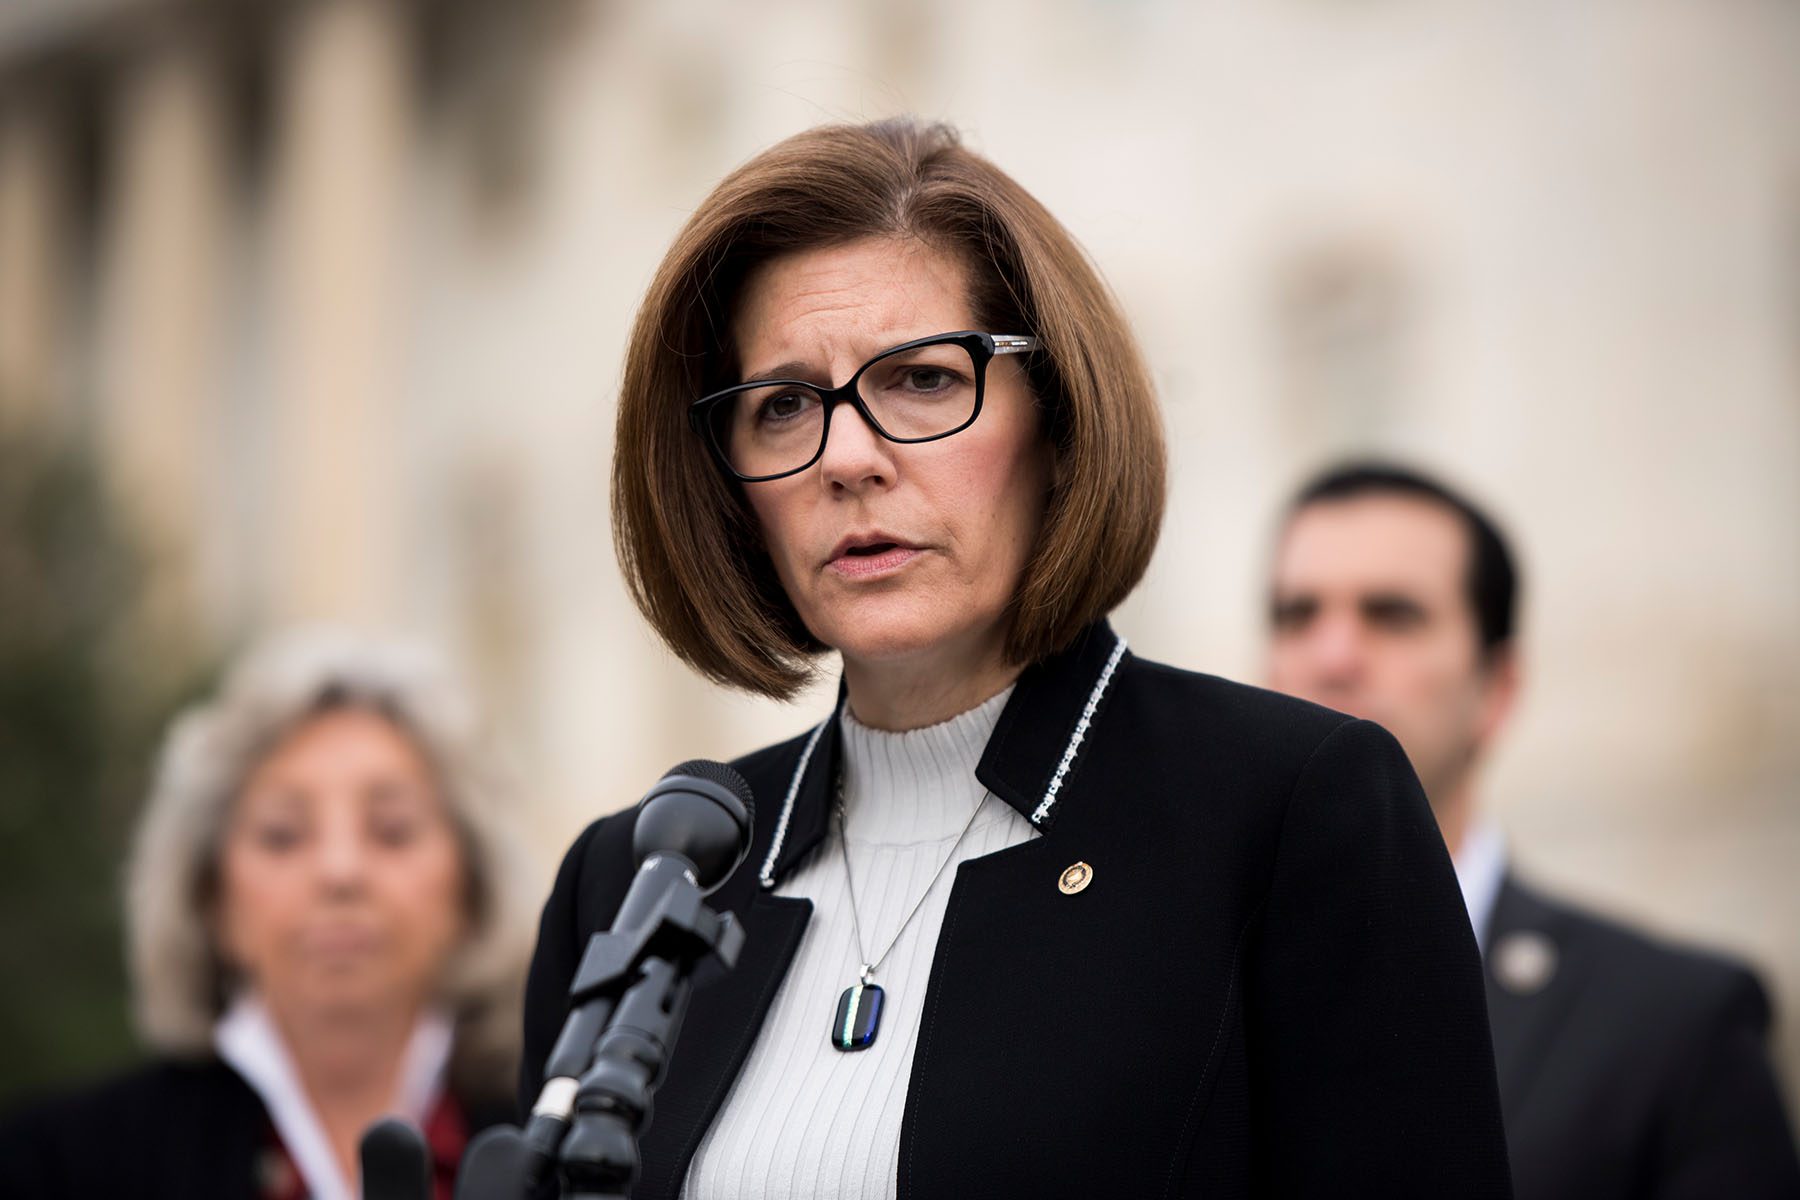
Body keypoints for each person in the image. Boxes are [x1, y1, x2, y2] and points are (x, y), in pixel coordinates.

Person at [519, 118, 1512, 1199]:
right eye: (783, 405)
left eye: (923, 382)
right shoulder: (638, 880)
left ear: (1058, 419)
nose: (848, 457)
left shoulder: (1291, 811)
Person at [1264, 460, 1800, 1200]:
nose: (1331, 657)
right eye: (1297, 616)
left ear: (1498, 689)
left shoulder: (1677, 1028)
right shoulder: (1174, 993)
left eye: (1392, 615)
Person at [0, 628, 538, 1200]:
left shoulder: (568, 1149)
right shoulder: (59, 1166)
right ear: (210, 895)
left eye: (392, 830)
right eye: (282, 835)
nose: (339, 872)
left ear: (472, 887)